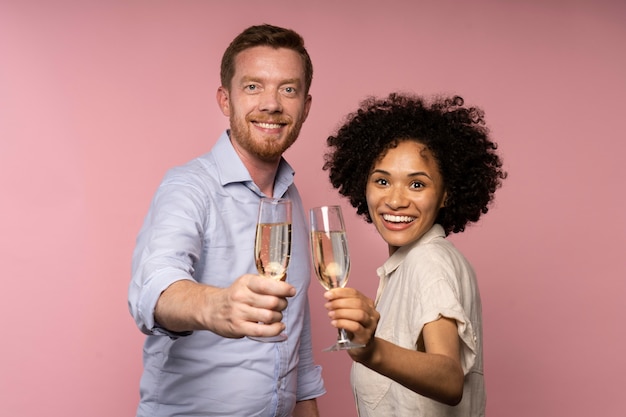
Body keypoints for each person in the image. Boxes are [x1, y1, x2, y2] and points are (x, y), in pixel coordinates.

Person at [128, 24, 325, 417]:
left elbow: (295, 337)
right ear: (225, 99)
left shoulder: (290, 195)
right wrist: (216, 304)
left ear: (305, 106)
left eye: (288, 89)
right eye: (253, 86)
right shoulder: (188, 186)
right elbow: (153, 288)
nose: (271, 104)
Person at [321, 92, 506, 416]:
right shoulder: (421, 262)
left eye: (416, 185)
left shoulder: (427, 262)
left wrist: (371, 351)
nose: (395, 200)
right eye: (382, 181)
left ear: (446, 193)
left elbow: (449, 380)